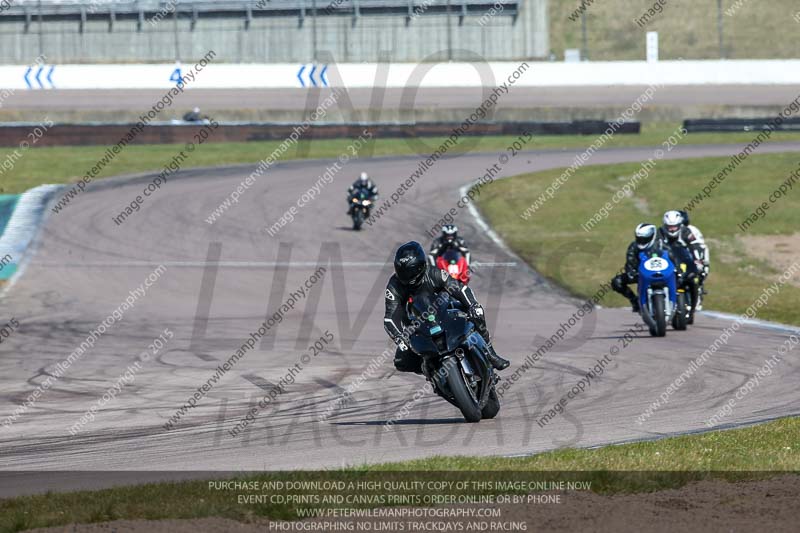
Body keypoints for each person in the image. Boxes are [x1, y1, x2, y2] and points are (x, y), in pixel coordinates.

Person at [384, 241, 509, 375]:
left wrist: (473, 305)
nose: (408, 277)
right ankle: (431, 372)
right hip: (416, 326)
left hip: (444, 311)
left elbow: (460, 289)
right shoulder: (394, 287)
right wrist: (399, 337)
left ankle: (490, 354)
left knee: (477, 313)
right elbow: (390, 317)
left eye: (411, 271)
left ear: (421, 265)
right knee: (401, 362)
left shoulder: (434, 273)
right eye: (402, 272)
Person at [611, 223, 676, 313]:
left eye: (644, 239)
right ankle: (635, 301)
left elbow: (672, 258)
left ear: (652, 236)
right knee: (617, 282)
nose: (641, 241)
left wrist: (676, 269)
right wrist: (632, 273)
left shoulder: (661, 245)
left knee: (680, 278)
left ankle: (677, 302)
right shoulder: (633, 247)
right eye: (639, 238)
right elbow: (630, 262)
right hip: (641, 273)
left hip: (662, 272)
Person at [678, 209, 710, 309]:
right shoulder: (668, 231)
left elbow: (698, 246)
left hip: (694, 255)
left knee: (700, 271)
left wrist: (699, 261)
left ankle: (699, 289)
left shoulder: (692, 231)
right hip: (679, 256)